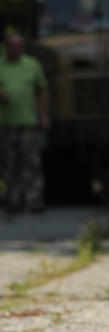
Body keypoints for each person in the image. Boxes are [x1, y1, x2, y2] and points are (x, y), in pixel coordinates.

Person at [0, 31, 50, 215]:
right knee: (8, 163)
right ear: (6, 47)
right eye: (12, 45)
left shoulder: (31, 64)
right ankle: (14, 199)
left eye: (19, 45)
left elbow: (43, 90)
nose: (16, 49)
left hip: (28, 121)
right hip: (5, 123)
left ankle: (34, 199)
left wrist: (44, 115)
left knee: (31, 162)